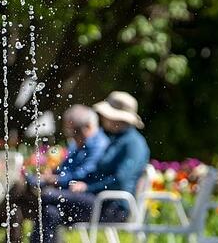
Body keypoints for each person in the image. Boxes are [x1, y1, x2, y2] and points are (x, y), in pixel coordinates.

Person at [0, 105, 110, 241]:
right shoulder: (78, 143)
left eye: (75, 131)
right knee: (17, 205)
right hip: (60, 195)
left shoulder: (99, 145)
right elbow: (62, 170)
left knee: (20, 187)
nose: (71, 136)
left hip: (78, 198)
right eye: (69, 132)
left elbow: (83, 175)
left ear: (88, 127)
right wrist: (50, 174)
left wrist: (53, 179)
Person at [29, 91, 150, 243]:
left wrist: (87, 188)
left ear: (116, 117)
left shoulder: (133, 143)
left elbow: (119, 179)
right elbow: (98, 172)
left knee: (48, 195)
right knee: (49, 212)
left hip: (113, 207)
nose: (102, 117)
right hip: (99, 201)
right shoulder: (116, 139)